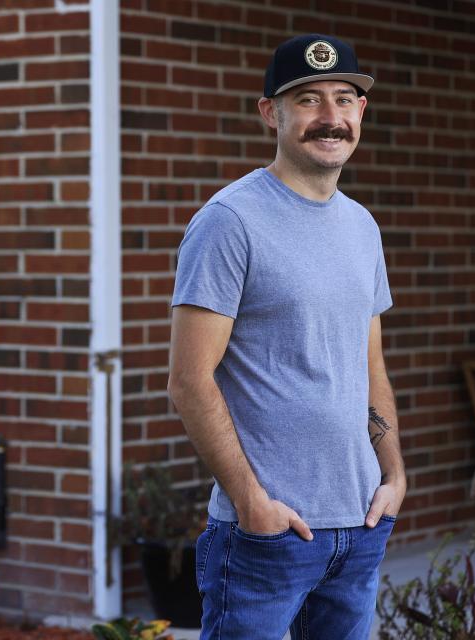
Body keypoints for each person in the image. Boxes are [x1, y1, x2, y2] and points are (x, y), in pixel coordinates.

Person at [167, 34, 406, 640]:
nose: (331, 117)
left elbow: (369, 363)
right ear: (270, 113)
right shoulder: (229, 222)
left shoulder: (362, 225)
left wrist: (393, 477)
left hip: (360, 525)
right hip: (268, 536)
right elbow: (190, 381)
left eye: (344, 98)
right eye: (308, 100)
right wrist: (252, 503)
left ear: (361, 113)